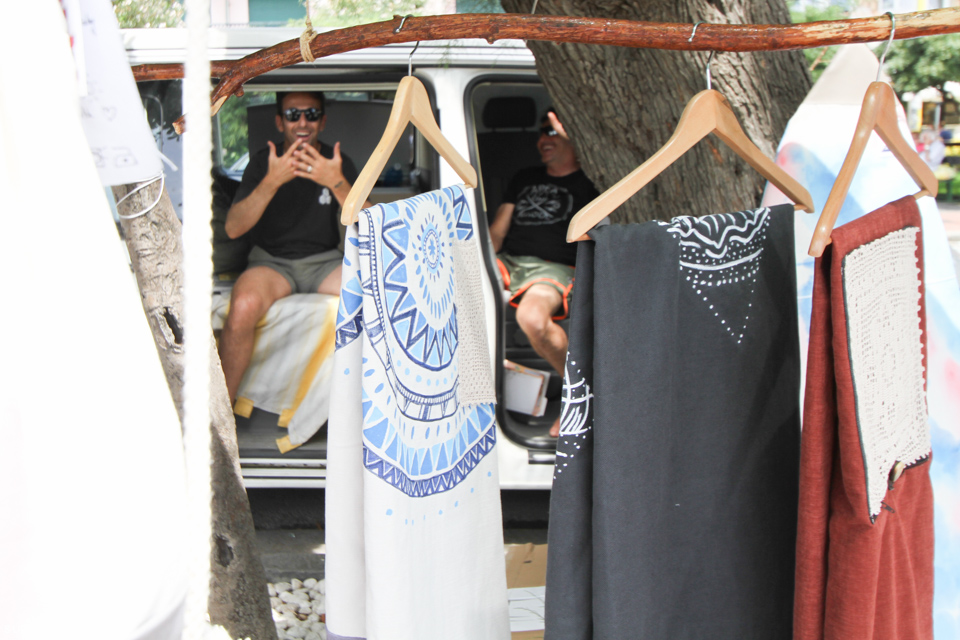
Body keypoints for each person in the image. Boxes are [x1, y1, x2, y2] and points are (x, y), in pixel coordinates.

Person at [220, 90, 368, 405]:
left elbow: (371, 222)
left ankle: (370, 410)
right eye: (292, 115)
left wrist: (335, 181)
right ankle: (219, 416)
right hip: (270, 264)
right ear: (280, 122)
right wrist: (273, 181)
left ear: (322, 122)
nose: (302, 122)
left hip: (324, 262)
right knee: (242, 306)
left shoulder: (338, 162)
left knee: (374, 299)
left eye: (311, 114)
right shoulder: (263, 162)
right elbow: (233, 228)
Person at [489, 108, 599, 437]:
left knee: (533, 320)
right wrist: (476, 263)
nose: (542, 140)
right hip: (509, 262)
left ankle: (580, 396)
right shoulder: (525, 177)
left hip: (553, 269)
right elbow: (497, 232)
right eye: (541, 133)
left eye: (551, 132)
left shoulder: (591, 183)